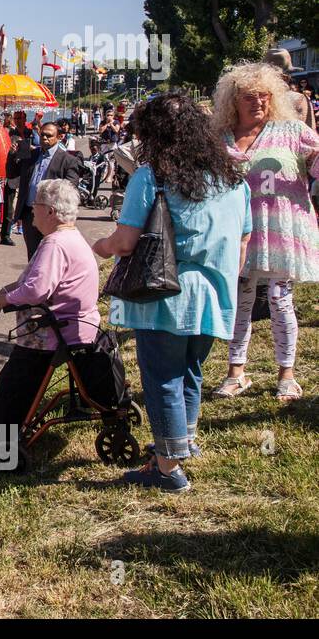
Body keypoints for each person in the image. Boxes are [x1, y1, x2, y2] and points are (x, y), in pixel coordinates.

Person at [93, 92, 250, 492]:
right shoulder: (232, 177)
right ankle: (183, 444)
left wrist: (99, 246)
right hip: (216, 292)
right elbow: (244, 238)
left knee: (162, 378)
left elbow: (126, 242)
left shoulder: (153, 176)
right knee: (190, 372)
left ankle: (167, 468)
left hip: (167, 292)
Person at [211, 62, 319, 400]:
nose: (258, 102)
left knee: (279, 298)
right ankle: (235, 372)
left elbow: (315, 164)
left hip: (280, 230)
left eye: (264, 96)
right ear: (232, 100)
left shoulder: (291, 130)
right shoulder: (219, 137)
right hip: (235, 231)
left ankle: (286, 374)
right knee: (240, 300)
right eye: (249, 97)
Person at [0, 179, 100, 468]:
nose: (31, 210)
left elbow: (36, 291)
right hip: (75, 326)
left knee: (11, 383)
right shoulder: (69, 238)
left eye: (35, 204)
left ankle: (1, 453)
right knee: (16, 378)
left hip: (55, 333)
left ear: (49, 210)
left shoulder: (56, 243)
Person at [14, 122, 85, 260]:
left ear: (59, 137)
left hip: (53, 217)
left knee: (51, 256)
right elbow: (12, 173)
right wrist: (13, 155)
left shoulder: (68, 161)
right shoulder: (31, 154)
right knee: (33, 256)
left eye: (49, 135)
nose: (44, 138)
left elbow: (70, 189)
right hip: (30, 214)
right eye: (42, 135)